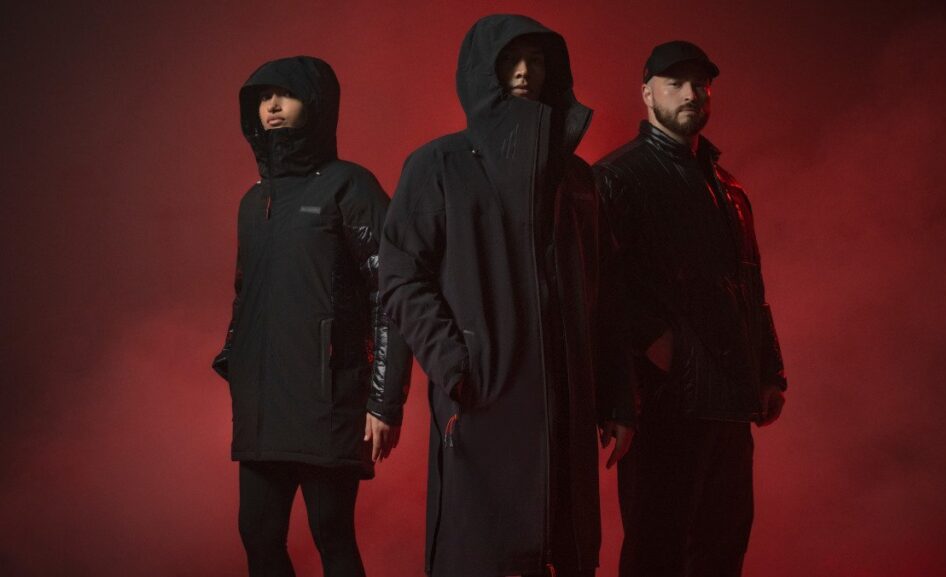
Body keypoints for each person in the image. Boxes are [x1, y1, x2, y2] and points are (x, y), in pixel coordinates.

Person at [379, 14, 635, 577]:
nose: (523, 71)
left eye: (536, 59)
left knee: (568, 556)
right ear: (481, 73)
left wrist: (617, 399)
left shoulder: (577, 179)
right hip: (482, 406)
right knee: (480, 559)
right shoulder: (437, 166)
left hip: (567, 408)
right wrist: (456, 363)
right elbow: (399, 276)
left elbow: (607, 295)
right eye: (508, 60)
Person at [211, 55, 412, 577]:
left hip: (328, 399)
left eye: (285, 95)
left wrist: (385, 401)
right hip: (262, 402)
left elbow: (392, 293)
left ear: (317, 104)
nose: (271, 107)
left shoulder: (351, 186)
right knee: (257, 534)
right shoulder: (254, 203)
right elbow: (245, 294)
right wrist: (234, 357)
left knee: (331, 533)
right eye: (262, 97)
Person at [593, 41, 788, 577]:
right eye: (675, 82)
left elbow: (751, 285)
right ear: (646, 92)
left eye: (700, 84)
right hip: (664, 403)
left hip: (729, 400)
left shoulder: (728, 188)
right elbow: (596, 283)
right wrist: (656, 340)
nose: (690, 93)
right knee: (657, 550)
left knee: (722, 550)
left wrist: (770, 371)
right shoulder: (616, 177)